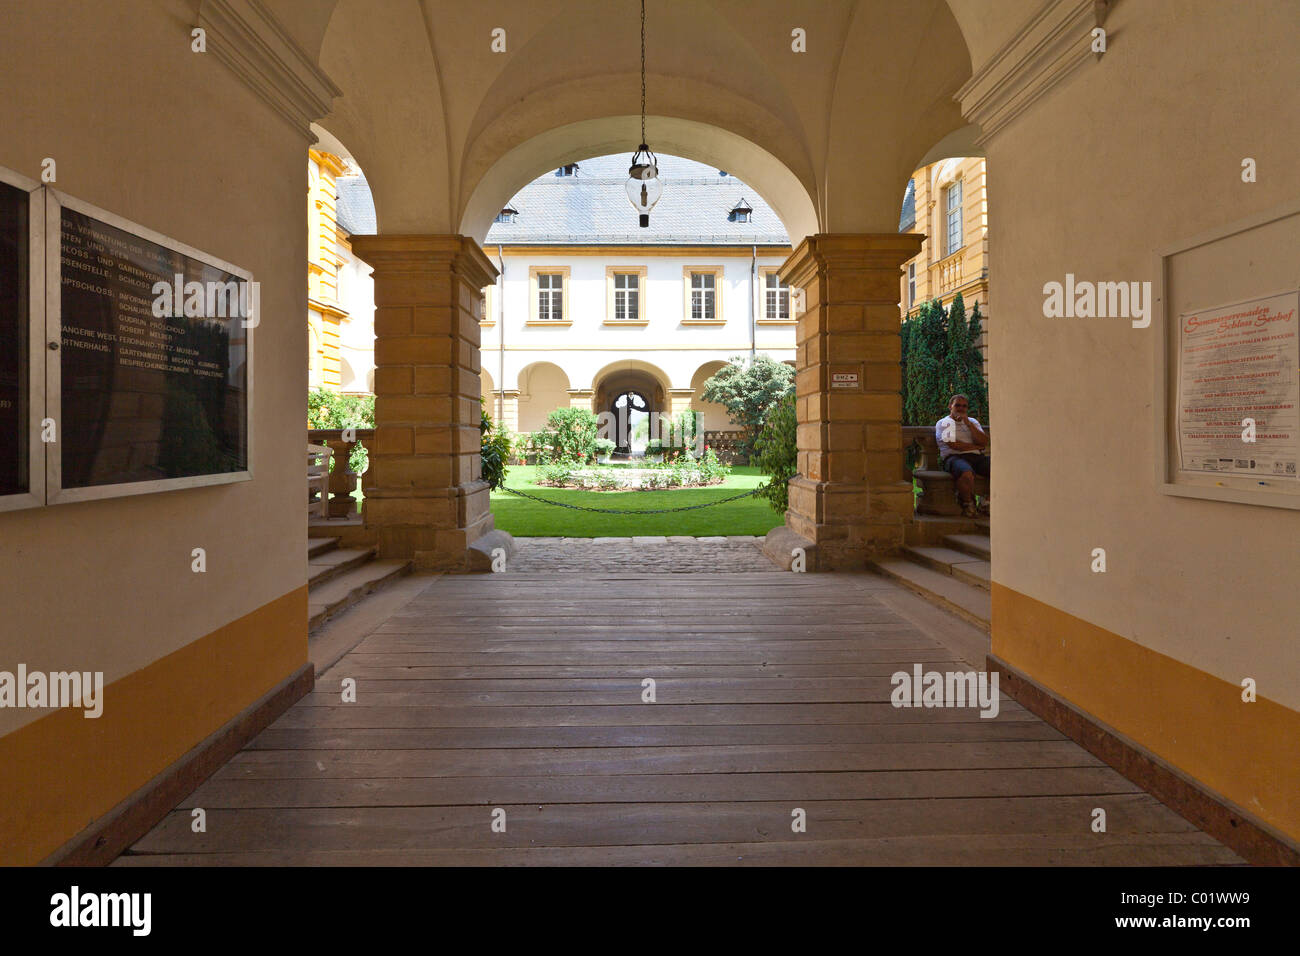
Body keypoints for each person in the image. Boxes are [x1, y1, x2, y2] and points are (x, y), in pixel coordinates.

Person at [935, 394, 989, 517]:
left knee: (1000, 468)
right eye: (957, 405)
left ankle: (987, 501)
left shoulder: (973, 422)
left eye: (964, 406)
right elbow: (953, 445)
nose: (961, 408)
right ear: (950, 406)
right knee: (966, 473)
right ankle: (968, 503)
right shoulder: (944, 423)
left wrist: (968, 424)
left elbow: (984, 441)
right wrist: (976, 447)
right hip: (954, 457)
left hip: (977, 458)